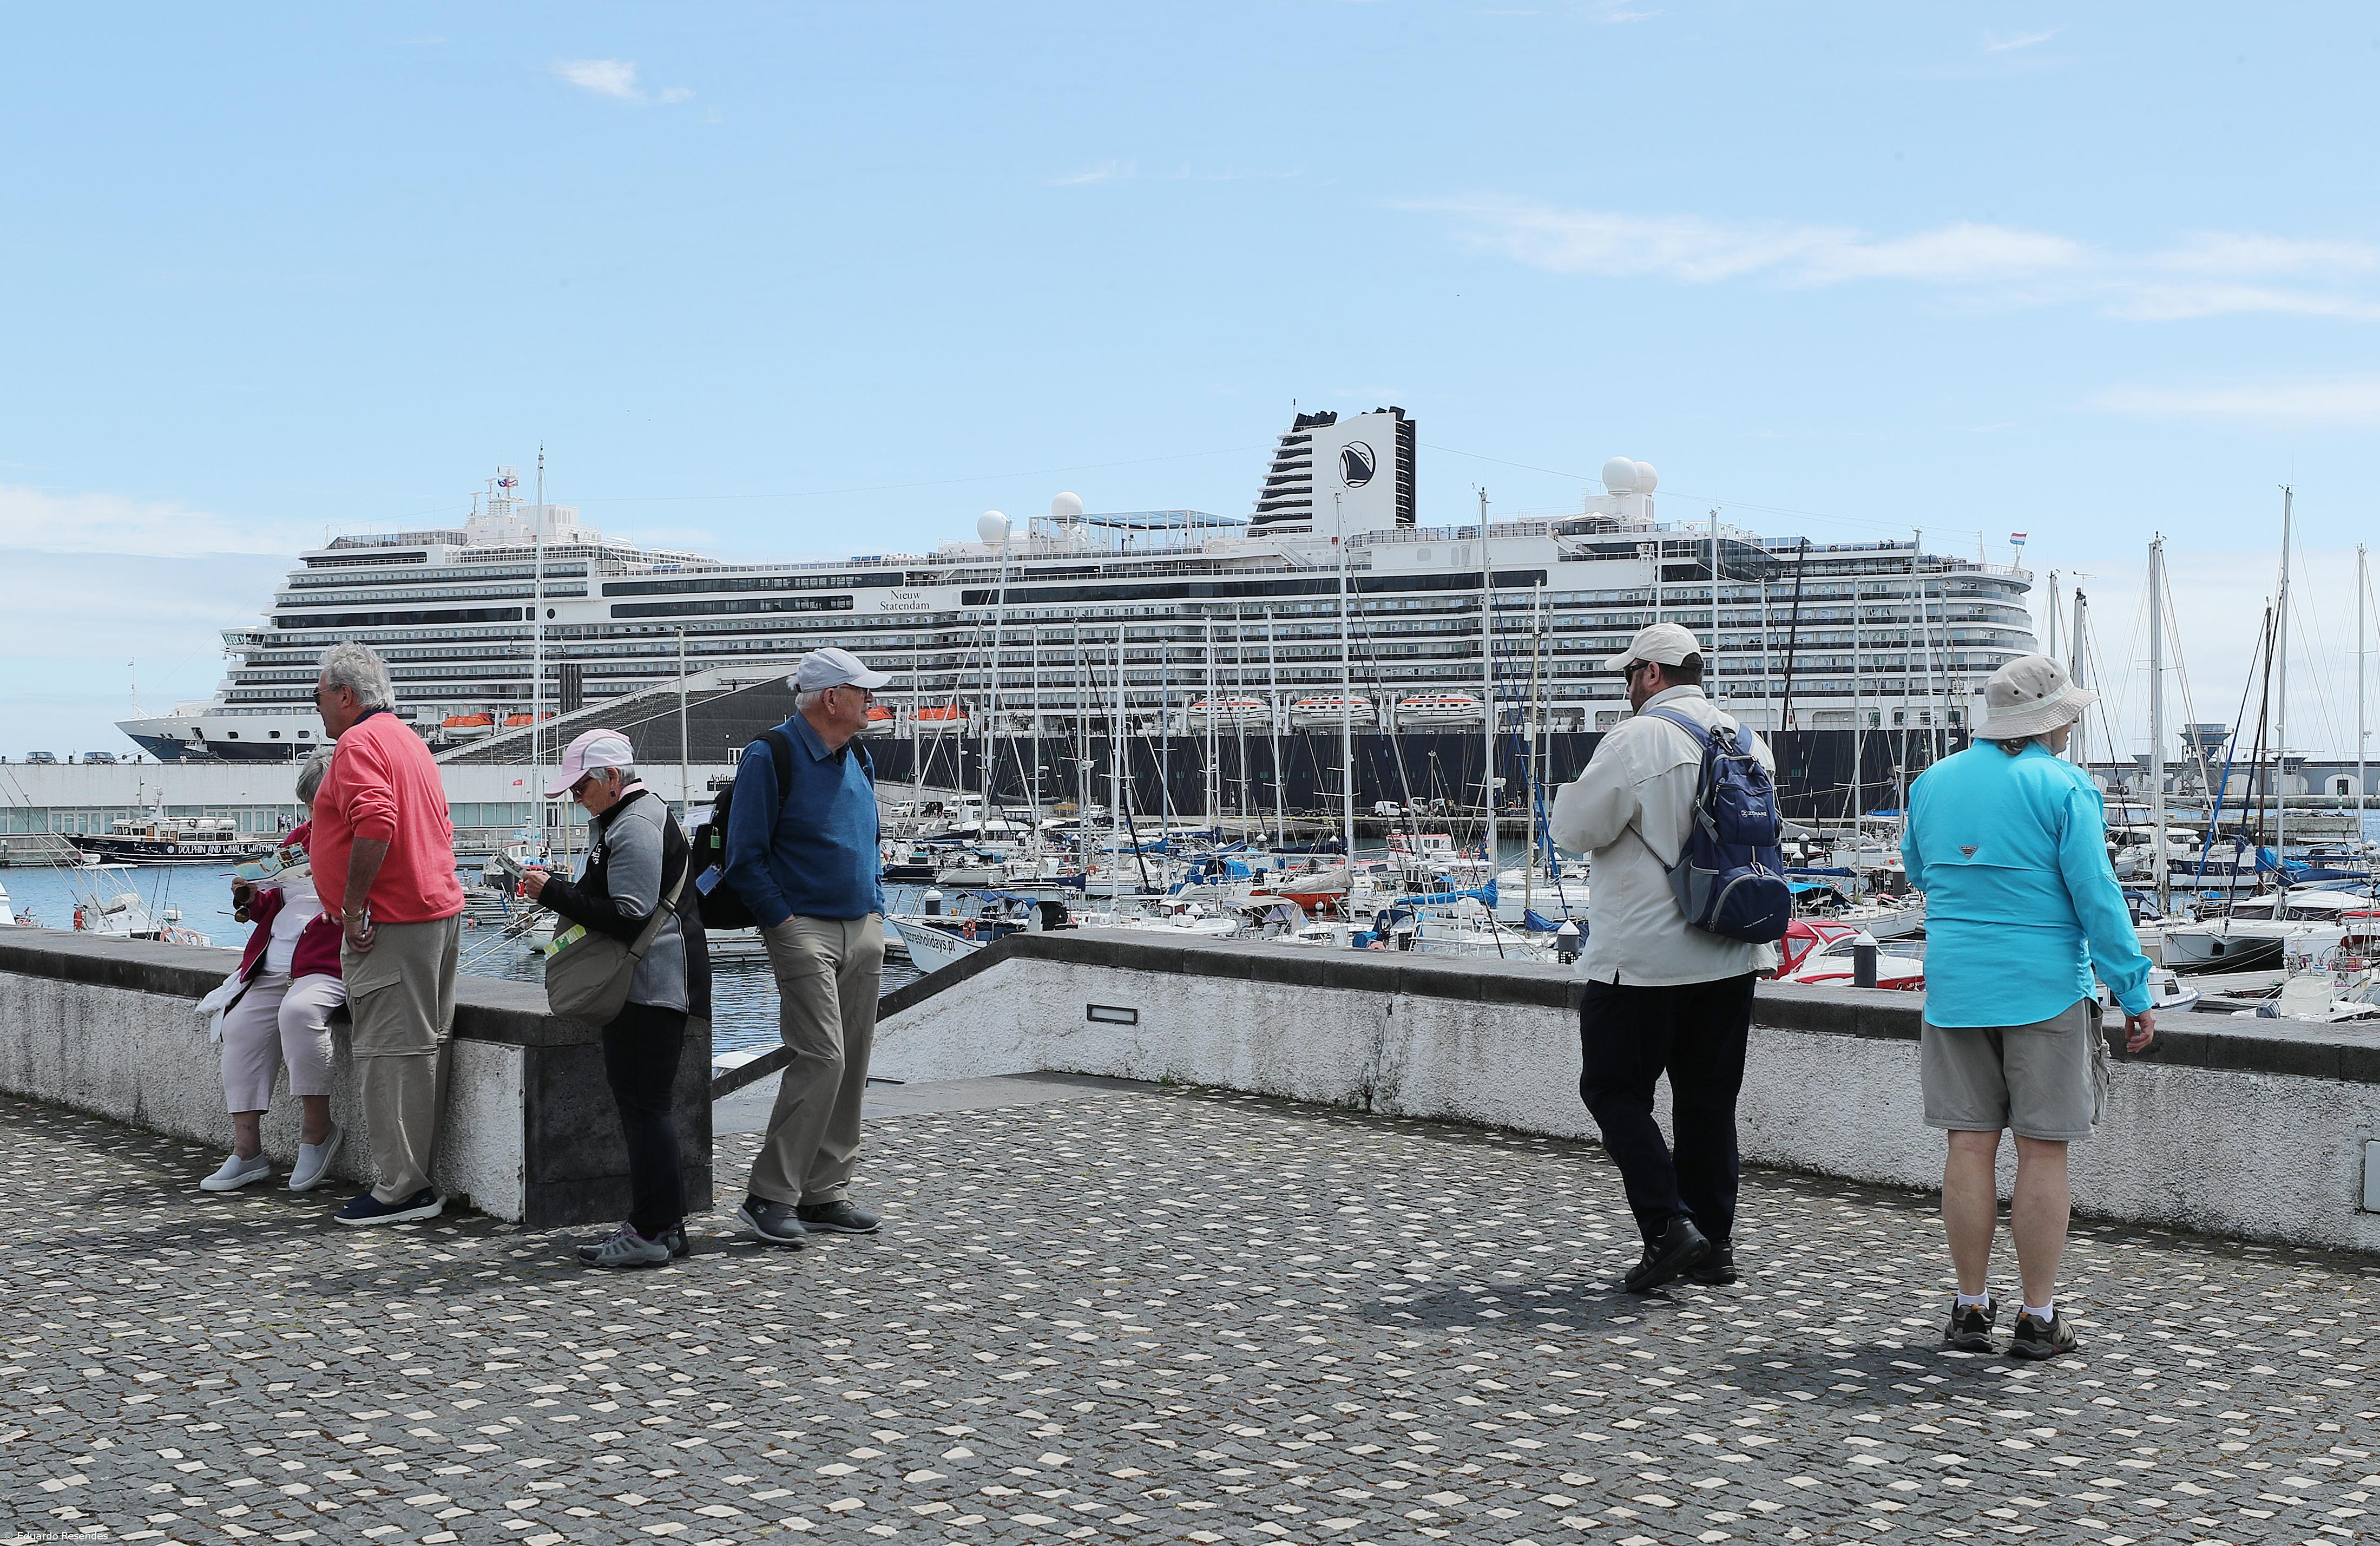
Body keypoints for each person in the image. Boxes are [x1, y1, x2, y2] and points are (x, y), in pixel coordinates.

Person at [1902, 654, 2155, 1361]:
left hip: (1954, 988)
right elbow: (2096, 899)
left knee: (1968, 1144)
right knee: (2041, 1151)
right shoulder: (2064, 787)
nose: (2074, 722)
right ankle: (2037, 1318)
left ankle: (1968, 1309)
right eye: (2068, 712)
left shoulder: (1931, 783)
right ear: (2048, 717)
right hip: (2044, 986)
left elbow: (1920, 871)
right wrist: (2132, 992)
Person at [1549, 622, 1777, 1293]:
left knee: (1613, 1090)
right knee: (1709, 1102)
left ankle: (1668, 1226)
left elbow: (1572, 831)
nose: (1627, 689)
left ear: (1651, 674)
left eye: (1630, 676)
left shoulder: (1636, 737)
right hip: (1732, 950)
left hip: (1642, 958)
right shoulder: (1746, 737)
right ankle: (1716, 1248)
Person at [522, 730, 710, 1268]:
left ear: (609, 779)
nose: (577, 797)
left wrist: (552, 893)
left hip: (651, 987)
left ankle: (652, 1230)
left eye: (581, 787)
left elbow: (629, 915)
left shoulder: (634, 826)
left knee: (646, 1109)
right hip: (652, 984)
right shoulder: (632, 817)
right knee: (643, 1109)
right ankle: (660, 1224)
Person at [724, 646, 890, 1247]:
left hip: (861, 927)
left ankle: (824, 1193)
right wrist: (785, 923)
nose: (872, 702)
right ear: (832, 699)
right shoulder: (772, 754)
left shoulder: (858, 755)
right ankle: (769, 1196)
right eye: (863, 692)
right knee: (823, 1057)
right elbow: (744, 857)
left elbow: (867, 837)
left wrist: (874, 906)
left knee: (853, 1063)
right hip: (804, 929)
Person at [310, 641, 465, 1226]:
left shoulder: (358, 742)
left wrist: (352, 910)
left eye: (318, 695)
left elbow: (376, 821)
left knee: (390, 1051)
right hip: (436, 911)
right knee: (425, 1046)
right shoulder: (407, 739)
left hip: (394, 922)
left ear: (345, 697)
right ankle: (415, 1180)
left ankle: (403, 1188)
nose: (317, 707)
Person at [200, 746, 346, 1194]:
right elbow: (272, 903)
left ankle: (317, 1135)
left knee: (299, 1013)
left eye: (321, 805)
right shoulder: (297, 840)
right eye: (309, 806)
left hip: (325, 964)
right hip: (271, 961)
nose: (313, 814)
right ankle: (247, 1151)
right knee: (240, 1023)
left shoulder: (361, 842)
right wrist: (250, 897)